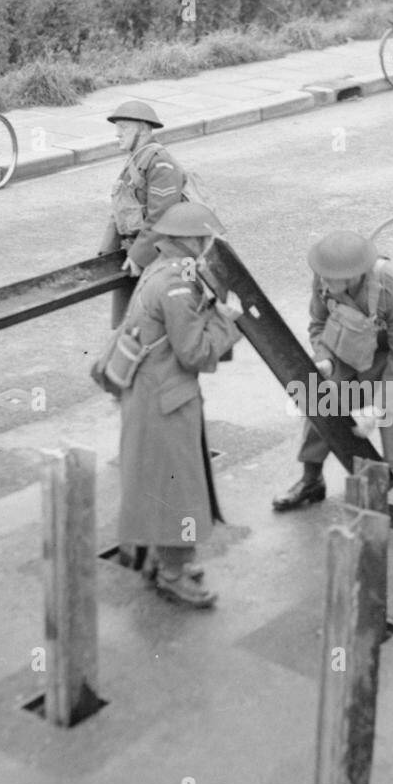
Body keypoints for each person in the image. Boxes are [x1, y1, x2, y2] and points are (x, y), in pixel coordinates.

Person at [103, 201, 242, 609]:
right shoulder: (178, 286)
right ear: (192, 240)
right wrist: (227, 323)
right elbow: (195, 353)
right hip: (166, 397)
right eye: (205, 238)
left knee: (162, 482)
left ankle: (165, 560)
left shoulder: (159, 271)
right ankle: (173, 572)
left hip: (152, 392)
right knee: (176, 486)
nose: (208, 245)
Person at [272, 230, 393, 545]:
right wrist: (322, 360)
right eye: (321, 277)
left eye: (331, 280)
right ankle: (311, 480)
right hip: (354, 342)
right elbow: (318, 324)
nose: (324, 285)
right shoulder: (325, 277)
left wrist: (378, 408)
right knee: (320, 399)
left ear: (354, 275)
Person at [97, 99, 186, 328]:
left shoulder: (161, 164)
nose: (117, 134)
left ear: (144, 130)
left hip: (156, 258)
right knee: (129, 329)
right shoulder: (136, 161)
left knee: (155, 328)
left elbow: (162, 217)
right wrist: (105, 254)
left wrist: (137, 256)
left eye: (124, 127)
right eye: (118, 127)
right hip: (135, 254)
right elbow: (119, 211)